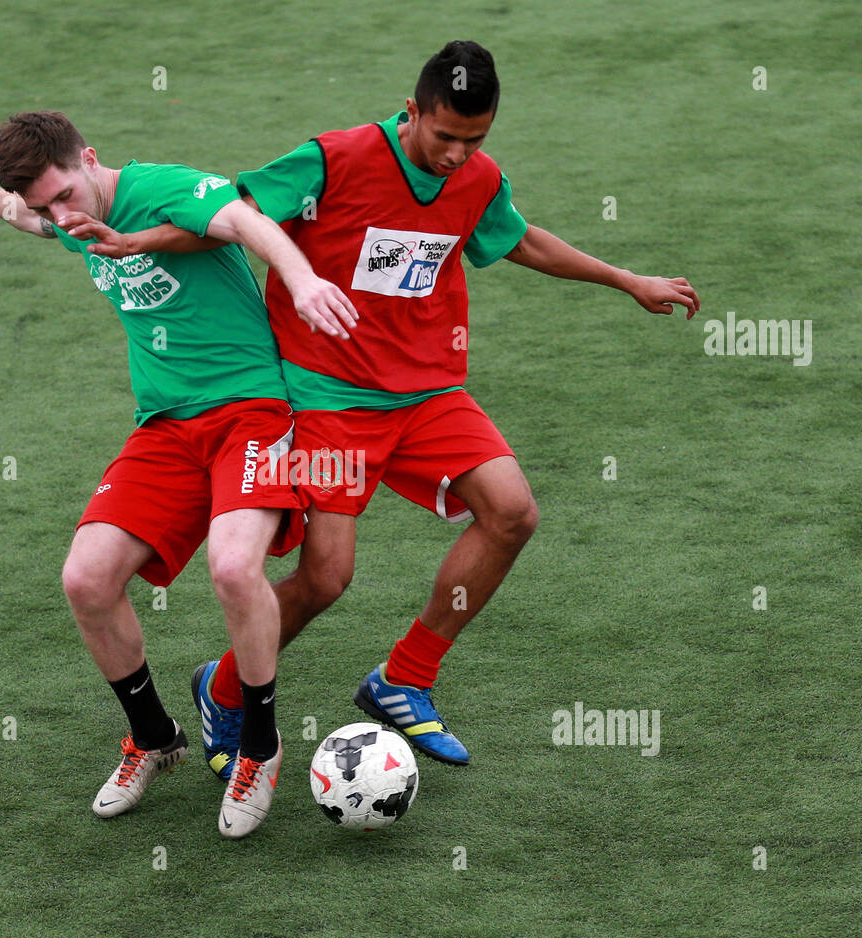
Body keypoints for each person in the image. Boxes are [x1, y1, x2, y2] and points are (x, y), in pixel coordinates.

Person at [85, 41, 699, 775]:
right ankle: (221, 690)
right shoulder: (334, 159)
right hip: (329, 399)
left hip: (428, 391)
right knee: (326, 580)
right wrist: (135, 241)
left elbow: (519, 238)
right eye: (445, 137)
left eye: (476, 140)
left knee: (513, 511)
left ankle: (404, 677)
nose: (457, 155)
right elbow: (230, 215)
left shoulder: (476, 177)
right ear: (413, 112)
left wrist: (628, 278)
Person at [0, 111, 356, 837]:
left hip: (250, 411)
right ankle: (154, 738)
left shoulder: (165, 188)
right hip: (164, 427)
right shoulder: (65, 214)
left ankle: (258, 745)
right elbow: (28, 219)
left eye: (65, 194)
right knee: (85, 578)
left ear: (91, 158)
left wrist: (301, 277)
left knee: (232, 568)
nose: (59, 215)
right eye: (45, 205)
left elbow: (246, 222)